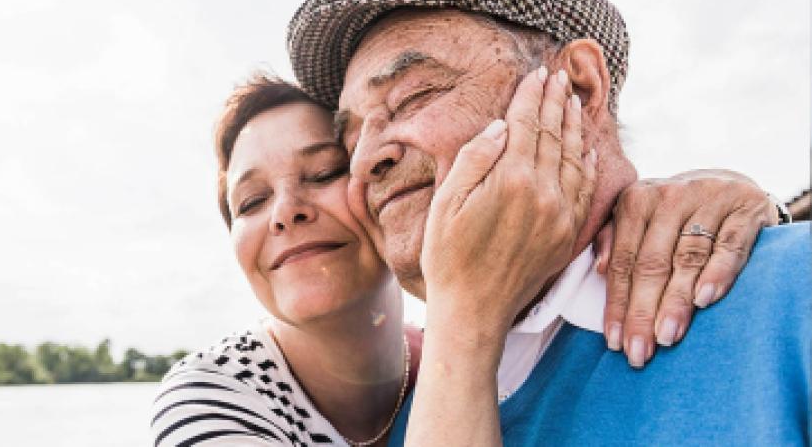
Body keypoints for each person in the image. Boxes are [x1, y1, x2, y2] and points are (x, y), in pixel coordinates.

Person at [285, 0, 810, 445]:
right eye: (349, 141)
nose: (366, 160)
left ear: (579, 88)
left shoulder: (791, 294)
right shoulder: (392, 427)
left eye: (413, 96)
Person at [149, 73, 782, 445]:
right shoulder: (212, 396)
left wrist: (715, 199)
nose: (286, 212)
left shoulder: (478, 354)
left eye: (323, 173)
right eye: (251, 201)